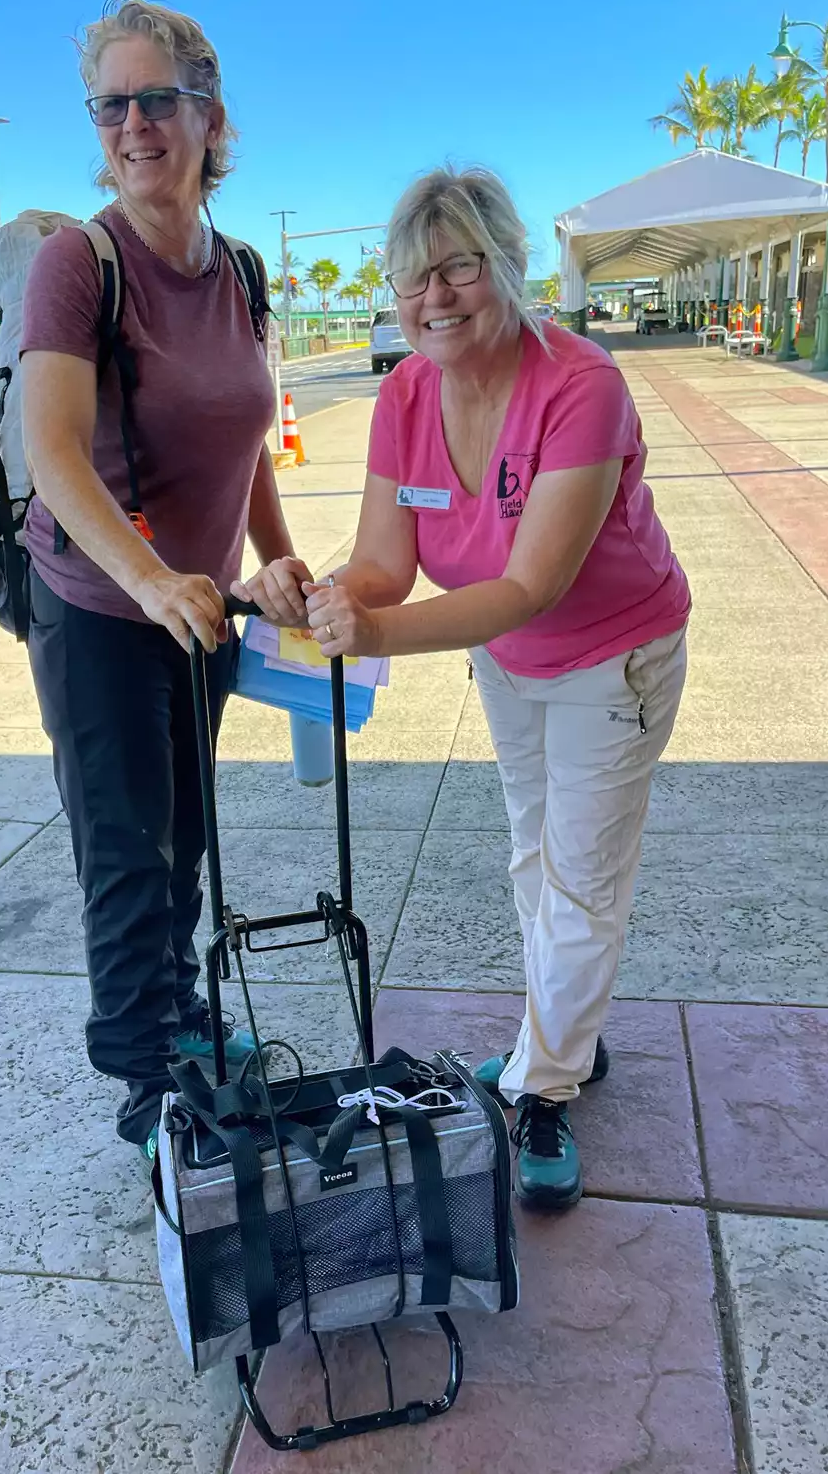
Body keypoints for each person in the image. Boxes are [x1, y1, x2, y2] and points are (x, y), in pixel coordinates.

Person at [302, 165, 691, 1212]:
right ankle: (562, 1039)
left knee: (581, 875)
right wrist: (326, 593)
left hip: (614, 653)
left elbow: (531, 585)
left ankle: (546, 1086)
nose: (433, 298)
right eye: (411, 278)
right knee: (533, 852)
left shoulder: (579, 386)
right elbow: (382, 563)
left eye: (458, 268)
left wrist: (376, 630)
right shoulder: (403, 395)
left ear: (508, 268)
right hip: (507, 661)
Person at [19, 0, 310, 1171]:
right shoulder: (76, 264)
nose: (133, 125)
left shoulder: (238, 268)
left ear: (209, 116)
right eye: (111, 106)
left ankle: (181, 1020)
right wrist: (149, 583)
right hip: (99, 609)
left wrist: (273, 557)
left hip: (202, 613)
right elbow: (52, 450)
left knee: (185, 833)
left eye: (156, 100)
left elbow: (244, 439)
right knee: (127, 850)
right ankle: (149, 1088)